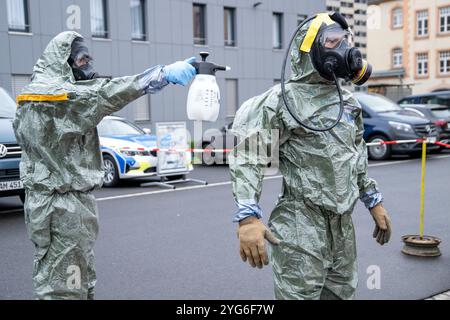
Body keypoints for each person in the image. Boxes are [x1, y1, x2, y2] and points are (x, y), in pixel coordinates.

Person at [13, 31, 196, 300]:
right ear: (62, 62)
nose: (88, 66)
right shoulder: (49, 97)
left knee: (79, 281)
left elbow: (96, 94)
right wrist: (159, 75)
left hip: (70, 204)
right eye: (81, 60)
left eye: (90, 59)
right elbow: (102, 94)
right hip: (59, 206)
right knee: (64, 288)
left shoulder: (55, 94)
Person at [229, 13, 392, 300]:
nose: (342, 49)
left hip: (342, 226)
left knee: (342, 295)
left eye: (344, 41)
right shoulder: (280, 102)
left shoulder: (349, 103)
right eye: (332, 41)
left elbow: (355, 156)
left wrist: (372, 200)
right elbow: (248, 158)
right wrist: (248, 217)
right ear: (311, 49)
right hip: (300, 225)